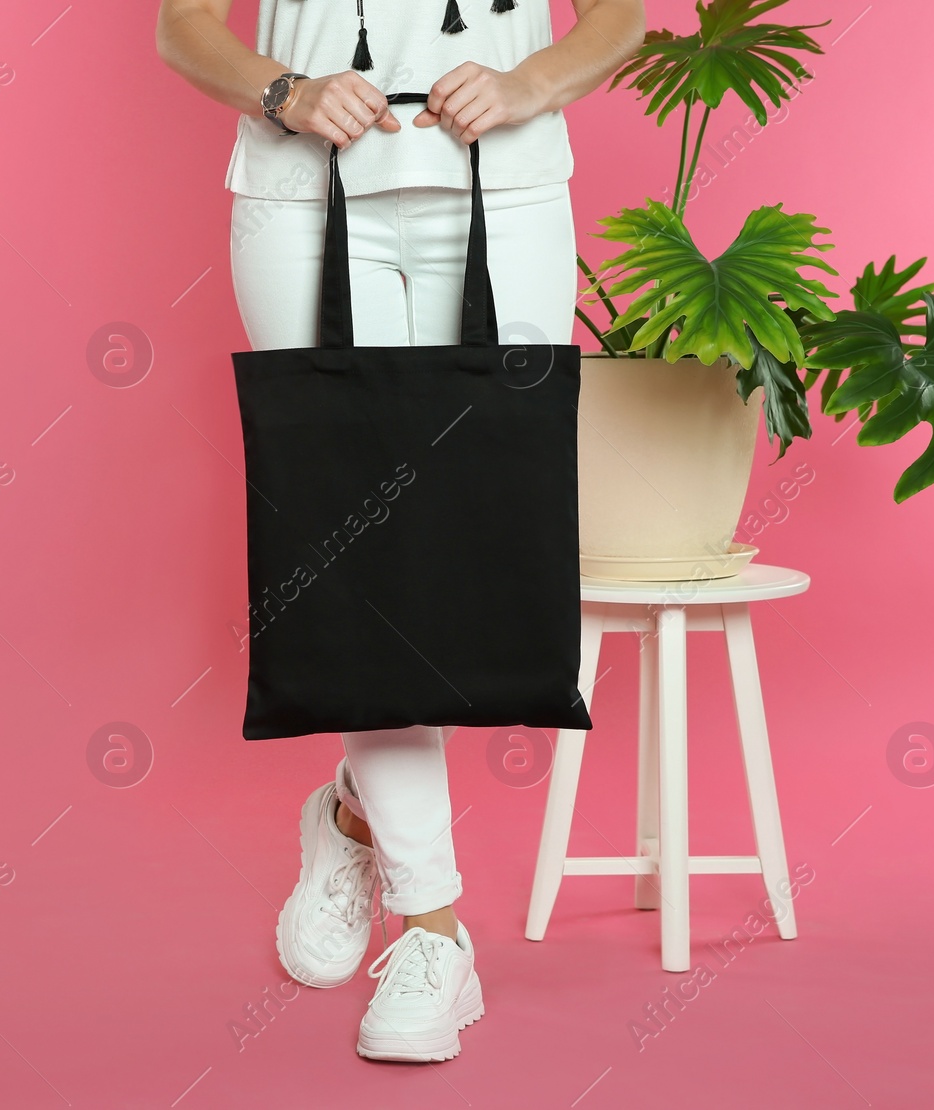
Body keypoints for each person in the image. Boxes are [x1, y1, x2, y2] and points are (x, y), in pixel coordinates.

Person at [156, 0, 644, 1063]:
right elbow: (182, 27)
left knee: (472, 539)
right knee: (357, 561)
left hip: (506, 192)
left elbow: (619, 20)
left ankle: (352, 816)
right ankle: (434, 929)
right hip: (300, 198)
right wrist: (287, 92)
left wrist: (529, 85)